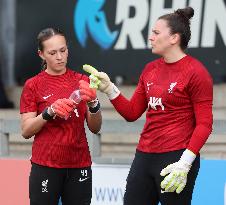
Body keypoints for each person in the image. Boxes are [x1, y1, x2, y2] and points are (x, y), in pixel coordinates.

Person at [84, 7, 213, 205]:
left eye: (156, 32)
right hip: (144, 157)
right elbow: (132, 112)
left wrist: (185, 163)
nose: (150, 37)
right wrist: (109, 89)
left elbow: (205, 124)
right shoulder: (150, 69)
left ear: (174, 38)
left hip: (176, 159)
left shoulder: (196, 72)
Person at [20, 28, 102, 205]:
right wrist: (49, 112)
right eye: (52, 52)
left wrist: (93, 103)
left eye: (63, 51)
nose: (59, 57)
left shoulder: (82, 80)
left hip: (79, 163)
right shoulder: (33, 85)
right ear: (41, 54)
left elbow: (95, 128)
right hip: (46, 165)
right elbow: (26, 130)